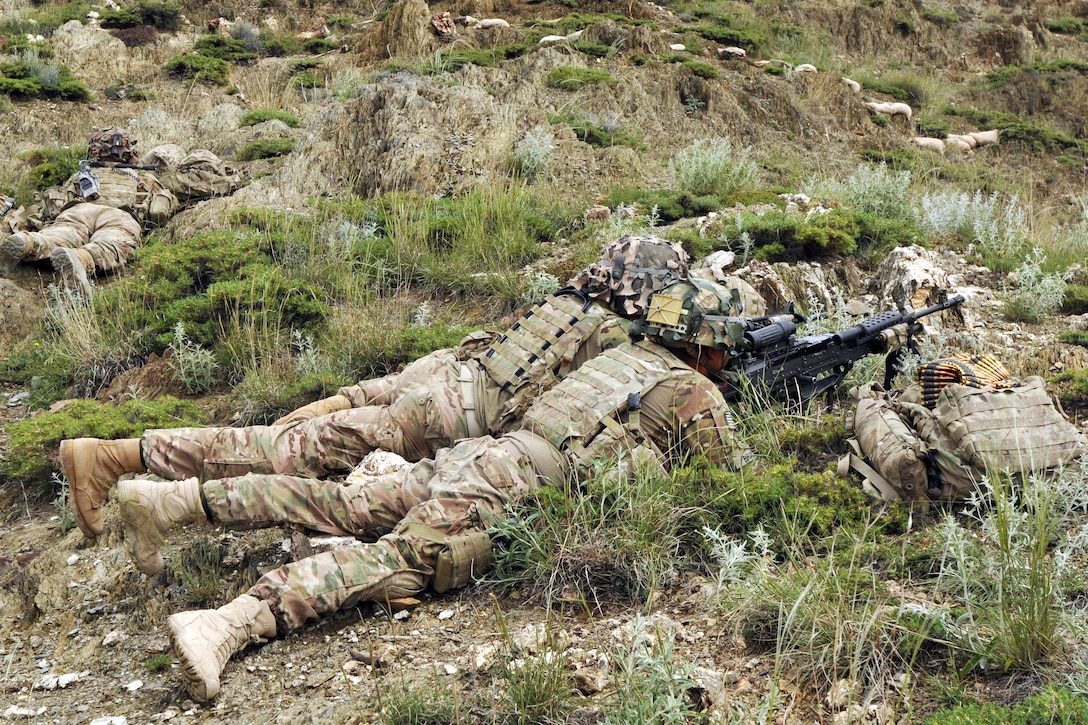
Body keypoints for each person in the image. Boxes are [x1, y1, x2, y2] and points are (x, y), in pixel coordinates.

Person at [113, 276, 753, 701]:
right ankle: (227, 623)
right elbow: (732, 488)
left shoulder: (617, 359)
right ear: (713, 346)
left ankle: (176, 502)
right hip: (510, 486)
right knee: (399, 561)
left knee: (349, 503)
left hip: (481, 456)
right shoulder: (695, 392)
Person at [58, 236, 689, 541]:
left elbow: (470, 353)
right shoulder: (619, 342)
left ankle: (122, 459)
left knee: (292, 444)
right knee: (288, 454)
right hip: (449, 426)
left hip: (435, 395)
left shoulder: (561, 309)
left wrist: (355, 394)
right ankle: (119, 464)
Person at [0, 128, 240, 293]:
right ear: (130, 152)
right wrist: (234, 177)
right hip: (119, 217)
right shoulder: (145, 176)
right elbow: (196, 187)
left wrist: (15, 216)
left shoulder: (81, 176)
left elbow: (43, 207)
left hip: (77, 212)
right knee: (113, 244)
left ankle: (29, 243)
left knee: (59, 234)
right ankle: (82, 258)